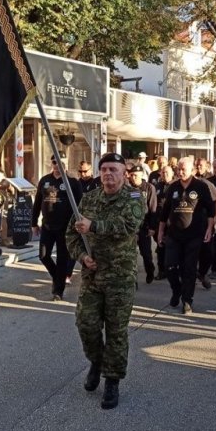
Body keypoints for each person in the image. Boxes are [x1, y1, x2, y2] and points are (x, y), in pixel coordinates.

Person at [66, 152, 145, 410]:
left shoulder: (134, 197)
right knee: (85, 323)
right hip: (91, 276)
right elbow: (72, 234)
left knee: (116, 331)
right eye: (105, 169)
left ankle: (112, 380)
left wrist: (94, 227)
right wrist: (82, 257)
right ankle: (96, 361)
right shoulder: (88, 199)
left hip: (119, 278)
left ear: (124, 173)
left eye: (114, 169)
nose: (108, 174)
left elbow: (128, 225)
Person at [157, 157, 216, 314]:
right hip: (174, 235)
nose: (180, 172)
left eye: (183, 169)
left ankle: (187, 300)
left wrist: (210, 228)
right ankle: (176, 290)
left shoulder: (201, 187)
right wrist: (161, 230)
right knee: (169, 266)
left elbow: (211, 209)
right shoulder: (173, 187)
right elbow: (165, 211)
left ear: (192, 170)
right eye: (179, 169)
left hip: (194, 235)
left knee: (189, 269)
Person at [31, 155, 82, 301]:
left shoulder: (73, 182)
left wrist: (79, 224)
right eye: (54, 162)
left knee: (62, 259)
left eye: (60, 163)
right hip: (47, 225)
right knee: (43, 255)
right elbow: (37, 203)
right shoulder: (45, 180)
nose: (57, 165)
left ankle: (58, 291)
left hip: (66, 227)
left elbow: (81, 205)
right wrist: (34, 223)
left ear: (65, 165)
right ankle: (58, 276)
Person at [127, 165, 157, 283]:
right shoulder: (127, 188)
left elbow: (153, 207)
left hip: (144, 225)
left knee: (146, 254)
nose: (133, 178)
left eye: (136, 175)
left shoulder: (149, 188)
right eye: (132, 175)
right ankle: (132, 280)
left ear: (141, 175)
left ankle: (150, 271)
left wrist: (152, 227)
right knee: (130, 255)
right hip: (131, 226)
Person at [153, 165, 175, 280]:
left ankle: (173, 269)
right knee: (160, 246)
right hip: (160, 220)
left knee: (172, 247)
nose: (164, 175)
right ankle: (161, 270)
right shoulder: (158, 186)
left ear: (172, 173)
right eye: (163, 173)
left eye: (167, 173)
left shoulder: (176, 185)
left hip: (172, 222)